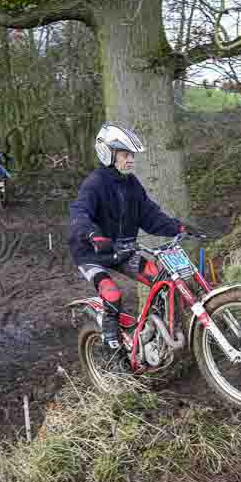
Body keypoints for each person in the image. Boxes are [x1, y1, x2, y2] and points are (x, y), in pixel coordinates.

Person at [68, 122, 190, 355]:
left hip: (122, 251)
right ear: (109, 154)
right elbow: (79, 213)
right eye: (125, 154)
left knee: (164, 282)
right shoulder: (94, 184)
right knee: (112, 294)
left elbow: (151, 217)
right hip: (91, 252)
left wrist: (179, 227)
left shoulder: (132, 184)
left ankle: (153, 334)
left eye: (132, 155)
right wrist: (93, 235)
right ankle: (112, 350)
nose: (131, 159)